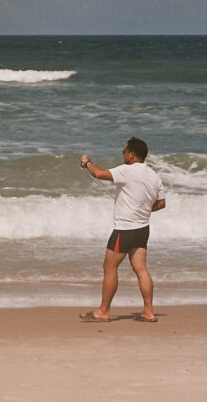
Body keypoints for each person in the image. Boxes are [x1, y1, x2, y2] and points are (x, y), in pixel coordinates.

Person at [79, 137, 166, 323]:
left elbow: (99, 174)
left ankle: (103, 310)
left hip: (124, 230)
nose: (123, 154)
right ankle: (149, 312)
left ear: (132, 155)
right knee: (141, 268)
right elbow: (161, 203)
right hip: (142, 229)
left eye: (124, 151)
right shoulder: (154, 176)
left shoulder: (127, 170)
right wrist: (144, 209)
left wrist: (87, 162)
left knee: (109, 267)